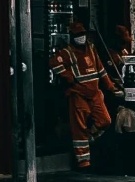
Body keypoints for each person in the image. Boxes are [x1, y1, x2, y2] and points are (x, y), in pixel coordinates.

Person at [51, 16, 119, 170]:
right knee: (79, 128)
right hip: (78, 94)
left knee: (105, 120)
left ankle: (91, 137)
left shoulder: (92, 49)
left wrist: (110, 86)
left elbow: (100, 69)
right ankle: (83, 162)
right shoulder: (68, 52)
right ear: (73, 37)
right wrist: (69, 78)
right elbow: (54, 63)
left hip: (94, 93)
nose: (81, 38)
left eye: (82, 34)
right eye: (78, 35)